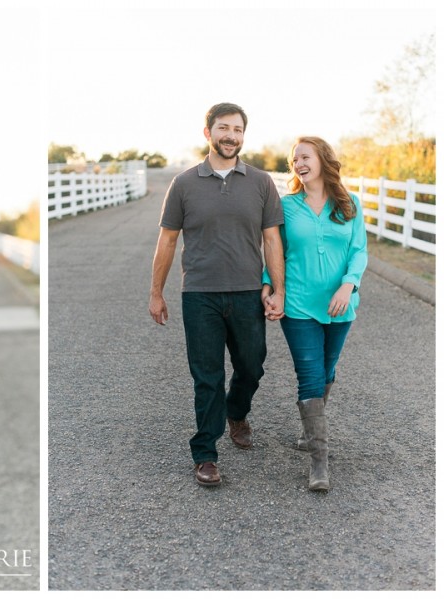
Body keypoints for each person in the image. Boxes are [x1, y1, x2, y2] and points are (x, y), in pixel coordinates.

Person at [148, 102, 285, 487]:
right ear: (207, 132)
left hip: (246, 294)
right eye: (224, 128)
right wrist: (156, 292)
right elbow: (167, 240)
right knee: (206, 376)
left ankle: (237, 413)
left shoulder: (260, 183)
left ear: (244, 135)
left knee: (252, 365)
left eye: (238, 129)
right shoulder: (184, 184)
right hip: (200, 295)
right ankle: (205, 452)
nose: (231, 136)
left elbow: (272, 240)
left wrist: (279, 290)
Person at [262, 136, 367, 491]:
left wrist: (348, 284)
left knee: (327, 371)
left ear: (322, 159)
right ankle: (319, 462)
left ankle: (310, 432)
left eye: (304, 156)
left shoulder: (349, 204)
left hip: (340, 305)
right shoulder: (287, 205)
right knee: (309, 375)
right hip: (299, 305)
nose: (298, 163)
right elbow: (276, 247)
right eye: (294, 160)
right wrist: (269, 284)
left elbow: (359, 251)